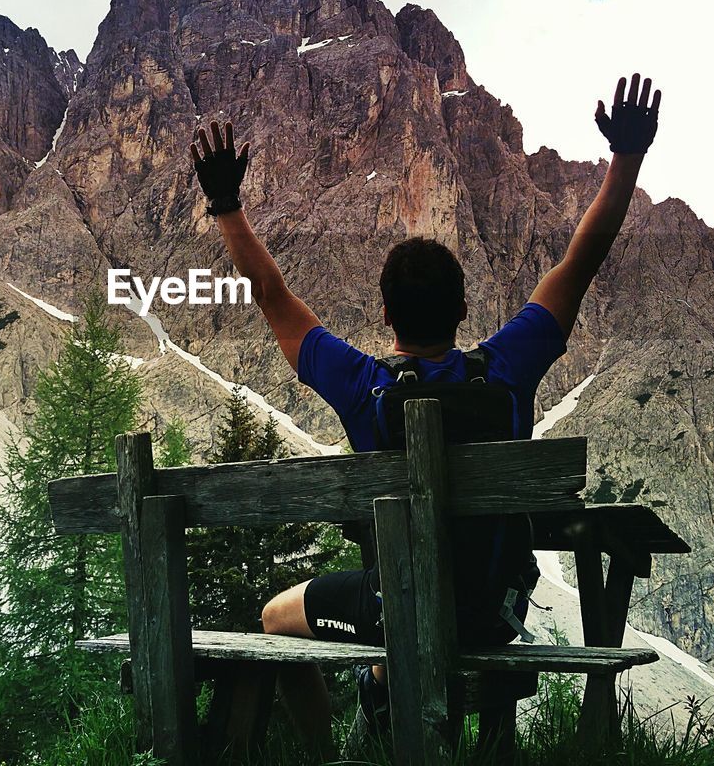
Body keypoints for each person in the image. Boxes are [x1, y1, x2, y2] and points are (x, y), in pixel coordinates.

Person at [190, 72, 662, 752]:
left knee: (274, 618)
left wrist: (227, 203)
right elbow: (579, 263)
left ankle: (337, 755)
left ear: (385, 315)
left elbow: (270, 294)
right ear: (464, 312)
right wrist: (627, 157)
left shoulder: (362, 388)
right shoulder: (506, 371)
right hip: (490, 616)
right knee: (401, 633)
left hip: (393, 614)